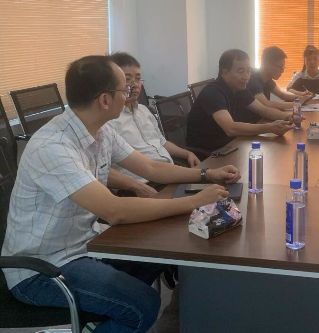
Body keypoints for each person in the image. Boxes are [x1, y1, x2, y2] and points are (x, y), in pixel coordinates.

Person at [1, 55, 239, 332]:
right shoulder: (52, 147)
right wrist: (194, 202)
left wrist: (207, 174)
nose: (129, 92)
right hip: (43, 269)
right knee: (142, 306)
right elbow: (115, 210)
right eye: (123, 89)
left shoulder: (101, 132)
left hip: (86, 243)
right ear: (105, 100)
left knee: (157, 256)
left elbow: (151, 167)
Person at [107, 52, 202, 191]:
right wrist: (135, 186)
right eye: (127, 79)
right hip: (143, 184)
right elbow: (105, 169)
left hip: (169, 172)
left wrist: (187, 154)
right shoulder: (109, 120)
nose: (135, 85)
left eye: (138, 79)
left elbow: (162, 142)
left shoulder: (144, 110)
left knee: (216, 190)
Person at [187, 49, 294, 152]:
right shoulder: (213, 92)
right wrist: (270, 128)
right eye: (241, 72)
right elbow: (230, 128)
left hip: (230, 145)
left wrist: (289, 118)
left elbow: (264, 110)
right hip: (207, 154)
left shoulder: (239, 89)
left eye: (248, 71)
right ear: (225, 73)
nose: (246, 77)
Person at [247, 46, 313, 110]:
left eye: (283, 67)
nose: (282, 71)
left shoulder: (267, 79)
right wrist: (296, 103)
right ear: (268, 64)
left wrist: (301, 97)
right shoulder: (253, 80)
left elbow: (282, 95)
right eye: (280, 67)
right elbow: (267, 104)